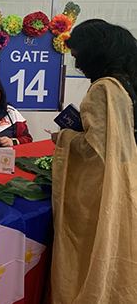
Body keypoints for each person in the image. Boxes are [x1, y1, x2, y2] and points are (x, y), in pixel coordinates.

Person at [50, 19, 137, 304]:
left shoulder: (104, 89)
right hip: (128, 177)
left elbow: (94, 150)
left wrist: (64, 137)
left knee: (91, 256)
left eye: (78, 57)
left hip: (101, 189)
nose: (77, 65)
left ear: (94, 53)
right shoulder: (128, 84)